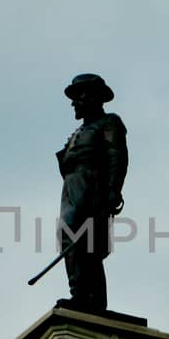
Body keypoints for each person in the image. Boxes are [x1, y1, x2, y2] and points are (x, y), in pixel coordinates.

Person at [56, 73, 128, 313]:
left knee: (87, 242)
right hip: (72, 189)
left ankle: (92, 299)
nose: (74, 102)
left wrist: (112, 191)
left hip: (92, 187)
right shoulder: (79, 131)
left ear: (94, 97)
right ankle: (79, 294)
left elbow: (117, 156)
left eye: (80, 96)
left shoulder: (109, 123)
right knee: (69, 237)